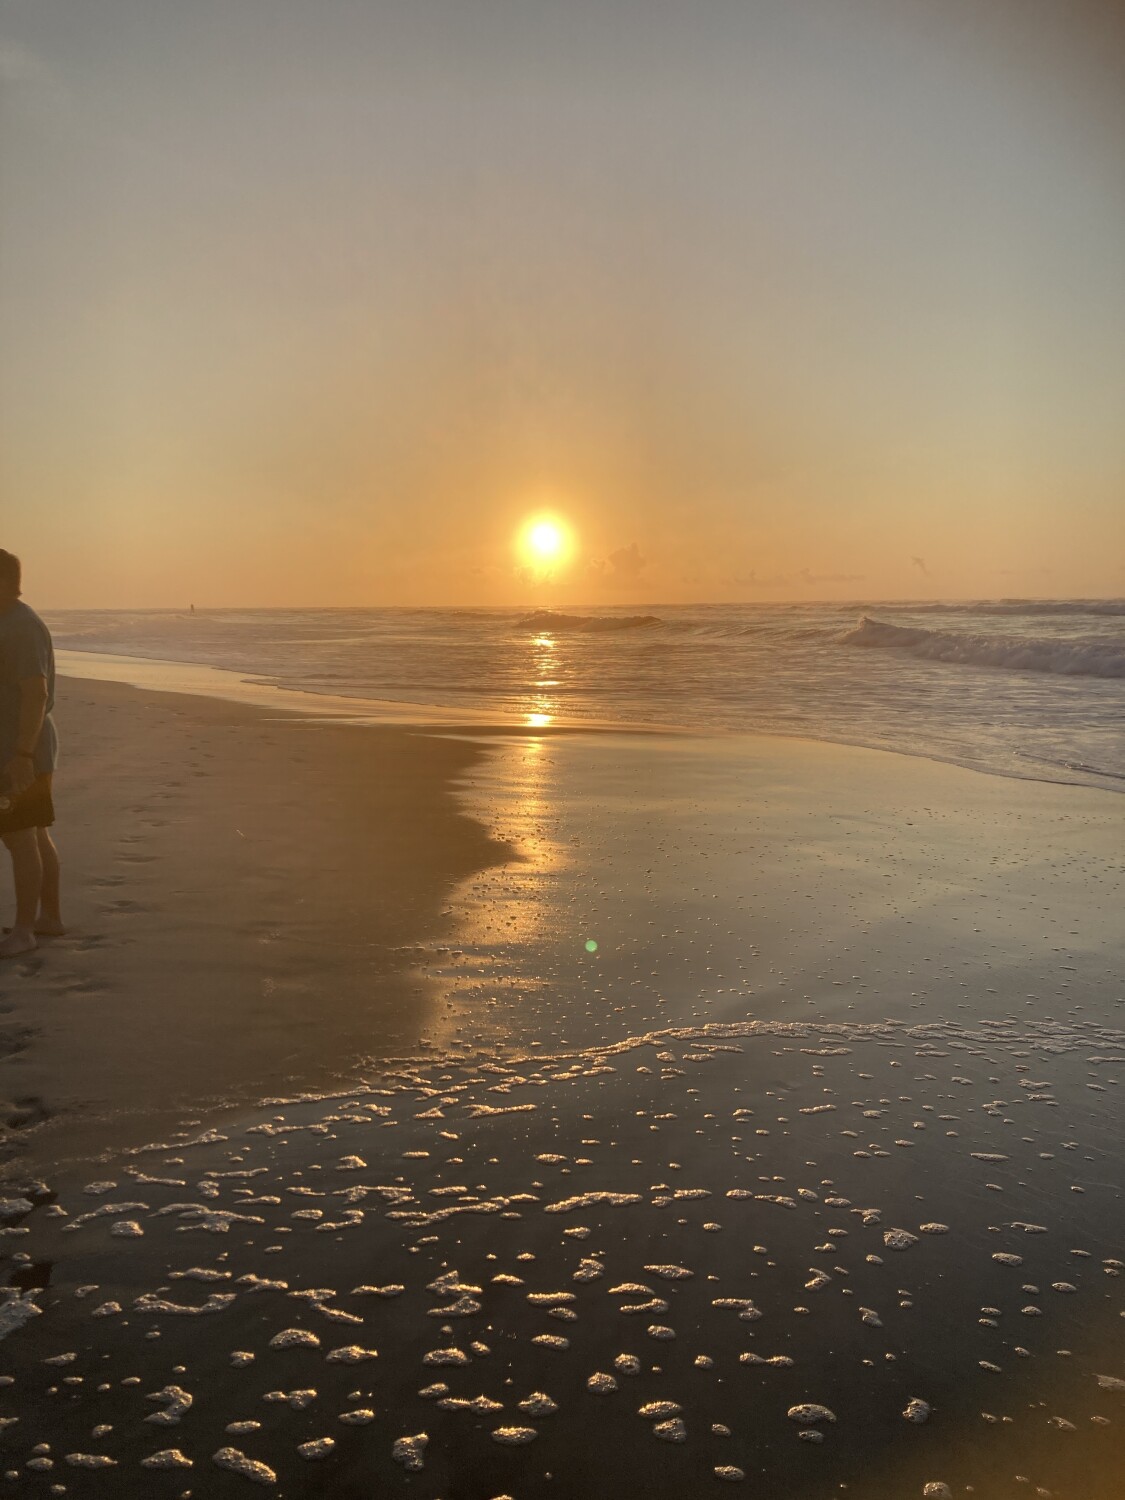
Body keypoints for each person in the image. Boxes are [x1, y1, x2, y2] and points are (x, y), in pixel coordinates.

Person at [0, 550, 63, 958]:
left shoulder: (22, 627)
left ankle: (24, 931)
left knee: (18, 834)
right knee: (35, 832)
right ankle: (48, 919)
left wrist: (22, 755)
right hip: (20, 746)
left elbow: (36, 692)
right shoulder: (9, 621)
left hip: (20, 748)